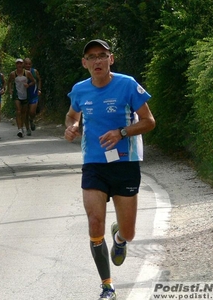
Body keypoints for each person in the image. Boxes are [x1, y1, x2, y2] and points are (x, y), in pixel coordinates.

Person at [64, 39, 155, 299]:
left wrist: (122, 132)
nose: (97, 61)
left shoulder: (127, 84)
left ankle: (120, 239)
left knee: (129, 232)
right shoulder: (80, 90)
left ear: (110, 59)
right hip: (93, 164)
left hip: (125, 164)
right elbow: (72, 115)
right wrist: (71, 125)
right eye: (91, 57)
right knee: (94, 223)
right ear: (85, 63)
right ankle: (107, 285)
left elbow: (149, 121)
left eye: (102, 56)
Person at [7, 58, 35, 137]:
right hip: (17, 95)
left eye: (20, 63)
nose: (19, 65)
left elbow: (34, 81)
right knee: (18, 111)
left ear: (23, 65)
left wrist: (28, 85)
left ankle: (22, 127)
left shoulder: (27, 73)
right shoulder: (13, 74)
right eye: (17, 64)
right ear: (16, 65)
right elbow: (9, 82)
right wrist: (10, 90)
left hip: (25, 95)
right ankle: (19, 129)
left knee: (24, 112)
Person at [24, 58, 42, 134]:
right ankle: (27, 128)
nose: (28, 65)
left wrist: (39, 89)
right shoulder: (20, 72)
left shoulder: (34, 71)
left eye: (29, 64)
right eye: (26, 64)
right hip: (24, 95)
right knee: (25, 112)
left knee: (32, 111)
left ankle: (31, 120)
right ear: (23, 64)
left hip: (33, 94)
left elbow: (39, 80)